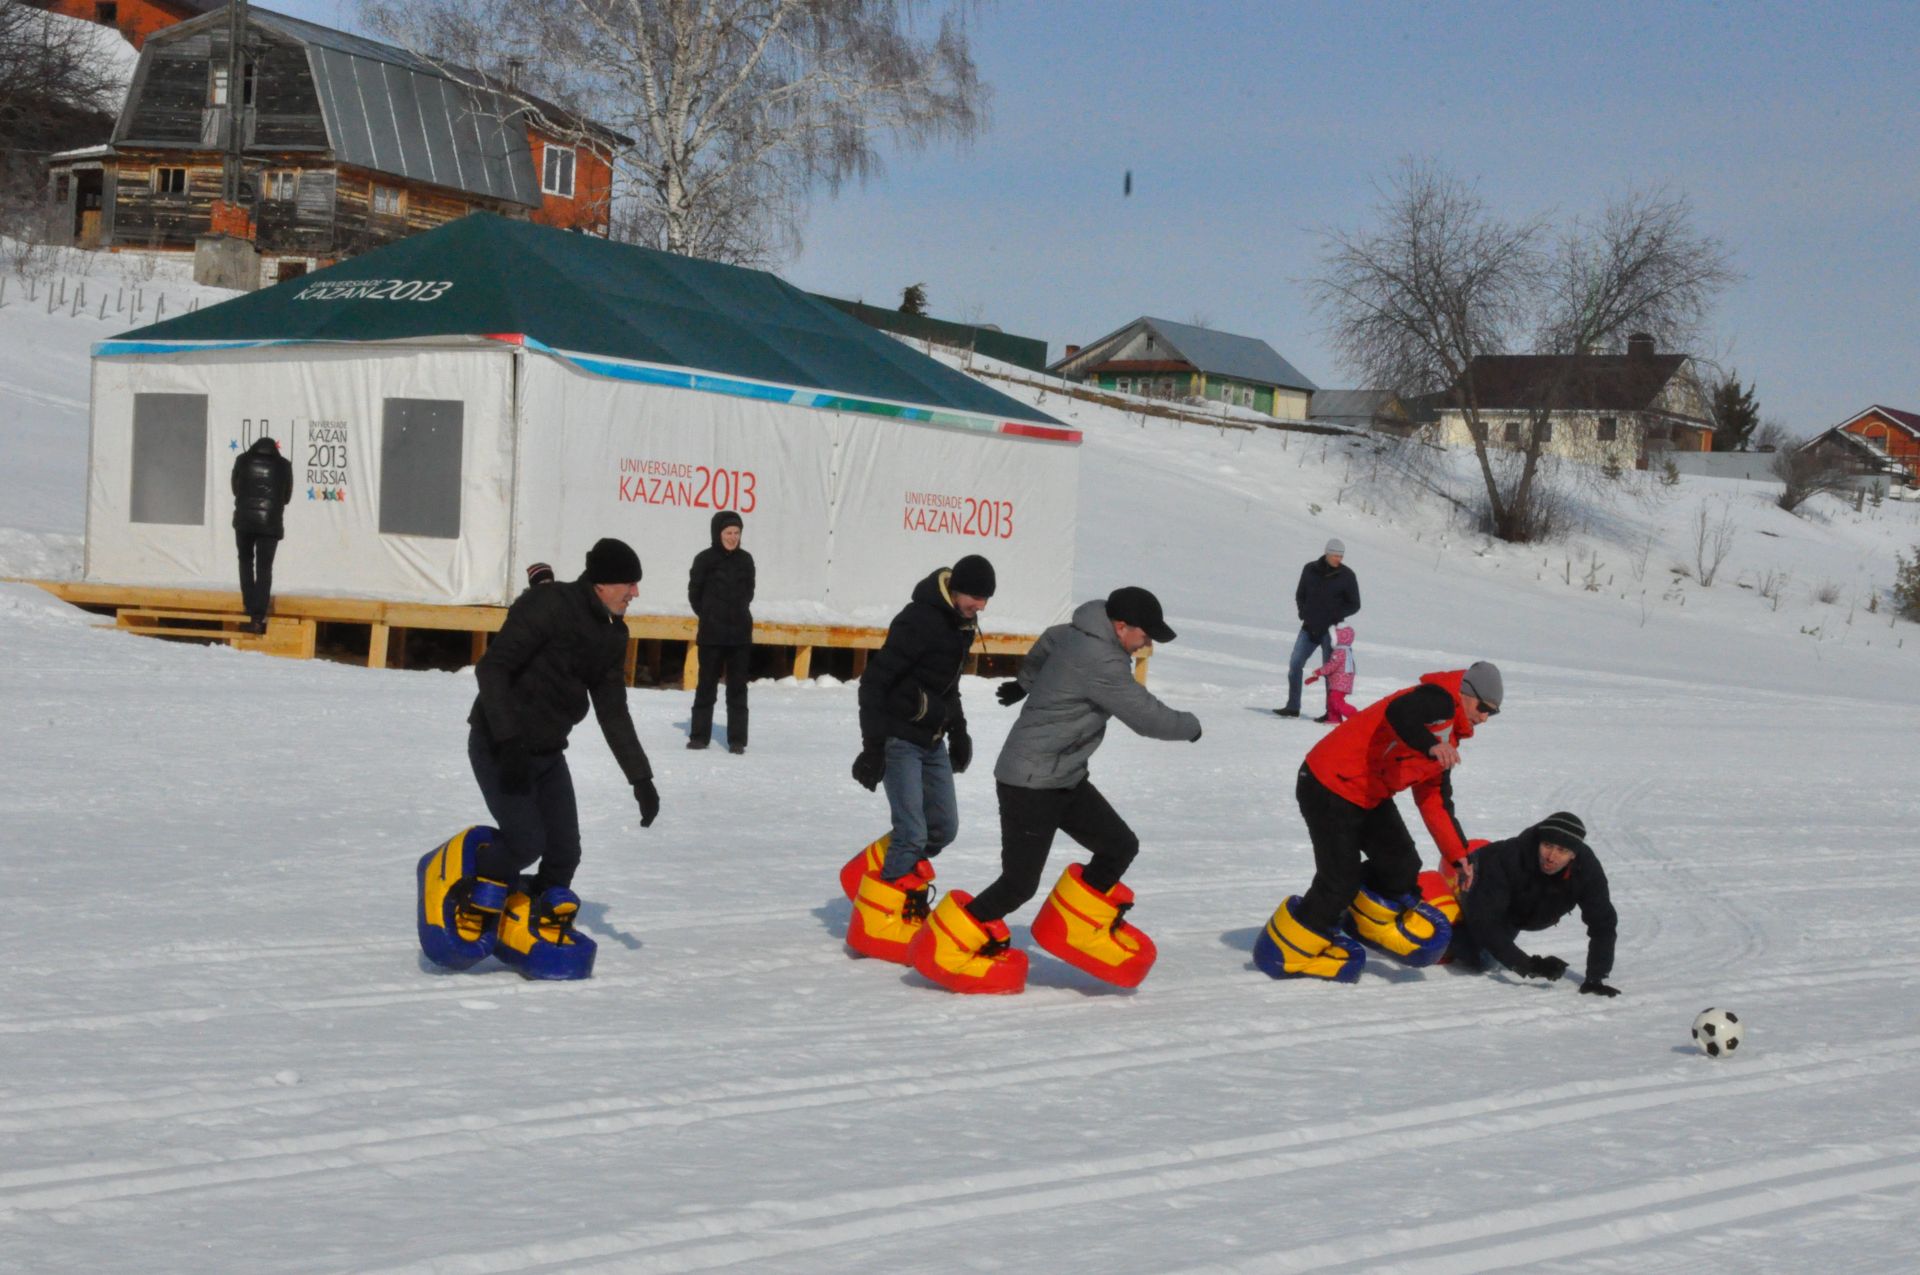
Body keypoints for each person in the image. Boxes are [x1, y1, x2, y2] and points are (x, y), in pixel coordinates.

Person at [909, 587, 1203, 994]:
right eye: (1146, 634)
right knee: (1018, 884)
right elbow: (1145, 717)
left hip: (1063, 775)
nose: (1148, 642)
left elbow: (1049, 639)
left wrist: (1026, 682)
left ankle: (1074, 927)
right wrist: (1191, 726)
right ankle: (944, 946)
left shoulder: (1079, 632)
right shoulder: (1102, 660)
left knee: (1118, 845)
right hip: (1029, 781)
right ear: (1121, 627)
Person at [457, 537, 661, 971]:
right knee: (526, 840)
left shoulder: (611, 634)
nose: (635, 593)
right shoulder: (548, 606)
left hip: (547, 753)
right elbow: (491, 668)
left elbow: (613, 712)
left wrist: (640, 779)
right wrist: (508, 741)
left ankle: (529, 919)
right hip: (498, 743)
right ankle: (473, 887)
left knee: (565, 852)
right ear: (602, 583)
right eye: (629, 583)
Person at [1255, 661, 1503, 982]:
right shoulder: (1437, 698)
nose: (1484, 717)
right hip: (1328, 782)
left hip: (1368, 793)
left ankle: (1361, 916)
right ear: (1465, 693)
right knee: (1338, 879)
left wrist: (1459, 857)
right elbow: (1401, 713)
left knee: (1402, 862)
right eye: (1483, 707)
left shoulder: (1449, 740)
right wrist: (1430, 745)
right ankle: (1284, 953)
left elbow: (1434, 802)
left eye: (1492, 713)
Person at [840, 555, 994, 963]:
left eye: (986, 600)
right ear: (956, 589)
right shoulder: (919, 620)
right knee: (911, 832)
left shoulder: (961, 624)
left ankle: (876, 871)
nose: (980, 606)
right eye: (976, 597)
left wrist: (959, 732)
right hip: (899, 738)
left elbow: (949, 687)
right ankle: (879, 922)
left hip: (933, 739)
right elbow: (874, 682)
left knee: (942, 828)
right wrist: (872, 747)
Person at [1451, 811, 1620, 996]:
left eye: (1562, 851)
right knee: (1478, 958)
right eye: (1548, 845)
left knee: (1496, 949)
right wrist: (1529, 965)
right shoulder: (1508, 858)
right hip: (1478, 879)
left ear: (1573, 854)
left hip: (1521, 912)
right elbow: (1485, 921)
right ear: (1539, 841)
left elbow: (1603, 923)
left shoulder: (1587, 871)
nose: (1552, 857)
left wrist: (1596, 977)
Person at [686, 510, 755, 754]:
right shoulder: (704, 559)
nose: (733, 537)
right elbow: (694, 593)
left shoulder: (746, 560)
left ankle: (737, 740)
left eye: (737, 533)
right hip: (711, 635)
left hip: (739, 636)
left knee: (737, 689)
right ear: (718, 533)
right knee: (706, 686)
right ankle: (699, 736)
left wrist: (734, 614)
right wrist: (709, 614)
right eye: (728, 532)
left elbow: (749, 593)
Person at [1277, 538, 1359, 718]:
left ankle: (1330, 712)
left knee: (1330, 671)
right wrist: (1303, 612)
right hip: (1308, 628)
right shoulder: (1310, 569)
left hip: (1331, 632)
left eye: (1341, 556)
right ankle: (1292, 707)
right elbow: (1300, 594)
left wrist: (1334, 614)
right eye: (1336, 555)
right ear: (1327, 553)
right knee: (1295, 664)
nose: (1339, 559)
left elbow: (1355, 604)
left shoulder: (1347, 576)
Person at [230, 434, 293, 634]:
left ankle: (249, 606)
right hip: (270, 524)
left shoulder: (242, 460)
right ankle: (258, 617)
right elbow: (287, 496)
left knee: (245, 561)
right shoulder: (284, 465)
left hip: (244, 521)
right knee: (265, 568)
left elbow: (235, 488)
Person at [1304, 624, 1358, 724]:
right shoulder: (1347, 651)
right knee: (1331, 700)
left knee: (1336, 700)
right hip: (1339, 681)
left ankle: (1354, 715)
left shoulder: (1339, 652)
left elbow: (1332, 666)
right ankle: (1334, 719)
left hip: (1340, 683)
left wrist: (1319, 671)